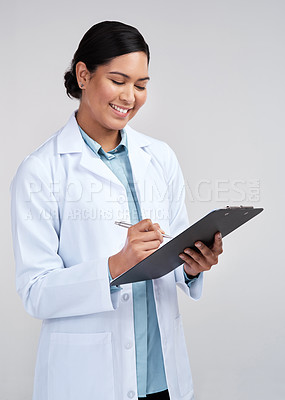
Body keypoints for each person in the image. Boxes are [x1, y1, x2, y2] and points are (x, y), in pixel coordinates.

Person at [10, 21, 223, 400]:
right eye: (118, 80)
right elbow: (35, 291)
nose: (130, 96)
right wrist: (115, 266)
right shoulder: (42, 170)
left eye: (141, 85)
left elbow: (172, 246)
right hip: (89, 381)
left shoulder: (158, 157)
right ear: (83, 74)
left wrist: (191, 265)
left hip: (162, 376)